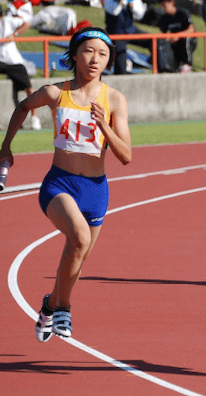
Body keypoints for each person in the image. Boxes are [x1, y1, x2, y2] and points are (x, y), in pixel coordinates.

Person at [0, 27, 132, 341]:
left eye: (102, 53)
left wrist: (104, 125)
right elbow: (22, 108)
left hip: (96, 192)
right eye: (88, 51)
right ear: (74, 54)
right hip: (59, 185)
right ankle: (64, 310)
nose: (95, 59)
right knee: (79, 238)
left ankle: (49, 305)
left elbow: (126, 155)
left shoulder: (114, 100)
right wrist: (6, 146)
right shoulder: (55, 93)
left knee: (77, 253)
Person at [0, 0, 41, 130]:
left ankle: (35, 118)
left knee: (29, 88)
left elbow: (26, 23)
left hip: (13, 61)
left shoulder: (8, 20)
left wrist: (15, 34)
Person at [104, 0, 151, 74]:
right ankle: (121, 72)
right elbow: (114, 12)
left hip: (130, 30)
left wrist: (132, 6)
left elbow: (140, 15)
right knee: (121, 56)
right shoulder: (109, 1)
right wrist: (120, 2)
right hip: (116, 33)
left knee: (155, 41)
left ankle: (158, 66)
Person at [158, 0, 196, 73]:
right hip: (174, 41)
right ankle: (167, 66)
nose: (163, 8)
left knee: (185, 38)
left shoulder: (182, 13)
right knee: (162, 42)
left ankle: (187, 65)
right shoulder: (164, 18)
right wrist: (169, 38)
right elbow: (164, 34)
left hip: (187, 40)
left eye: (165, 6)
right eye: (162, 6)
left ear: (171, 2)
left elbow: (191, 29)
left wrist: (178, 35)